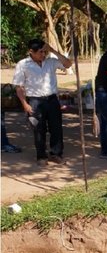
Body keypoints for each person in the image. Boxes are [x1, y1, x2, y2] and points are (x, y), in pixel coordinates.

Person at [13, 38, 72, 166]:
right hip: (34, 101)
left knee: (56, 128)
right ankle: (41, 155)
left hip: (52, 100)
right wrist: (25, 104)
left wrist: (53, 50)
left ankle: (56, 154)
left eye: (44, 52)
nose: (43, 55)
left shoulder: (51, 62)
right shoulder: (22, 65)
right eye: (40, 52)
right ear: (31, 51)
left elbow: (68, 64)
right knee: (38, 129)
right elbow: (19, 87)